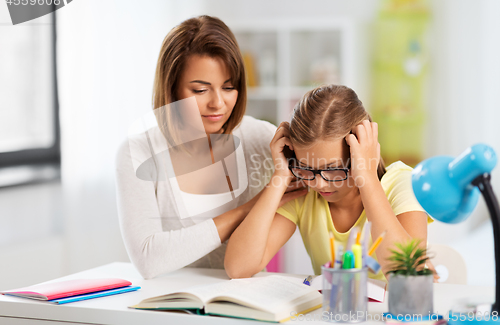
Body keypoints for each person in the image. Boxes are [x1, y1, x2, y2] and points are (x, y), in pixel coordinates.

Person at [115, 15, 306, 279]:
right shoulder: (138, 152)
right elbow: (148, 259)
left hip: (244, 304)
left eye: (229, 87)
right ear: (171, 90)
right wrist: (253, 206)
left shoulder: (261, 139)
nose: (218, 103)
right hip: (166, 307)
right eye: (200, 90)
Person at [225, 84, 438, 282]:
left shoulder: (402, 183)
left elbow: (407, 277)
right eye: (306, 167)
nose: (318, 184)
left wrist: (368, 179)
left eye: (333, 169)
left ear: (361, 152)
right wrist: (280, 176)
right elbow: (238, 268)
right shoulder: (303, 189)